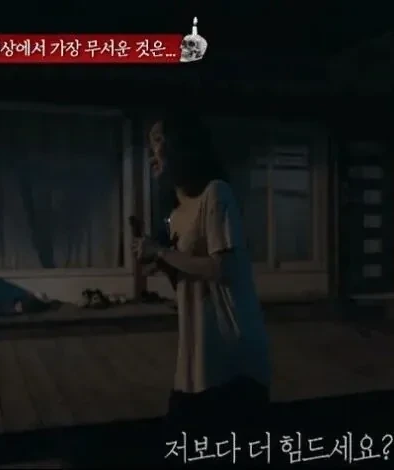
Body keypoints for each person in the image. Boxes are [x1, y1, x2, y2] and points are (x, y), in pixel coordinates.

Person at [132, 113, 272, 439]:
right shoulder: (175, 214)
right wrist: (164, 264)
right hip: (196, 353)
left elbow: (222, 269)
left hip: (232, 355)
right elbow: (187, 283)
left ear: (181, 146)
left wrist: (163, 253)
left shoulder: (216, 194)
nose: (152, 153)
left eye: (158, 140)